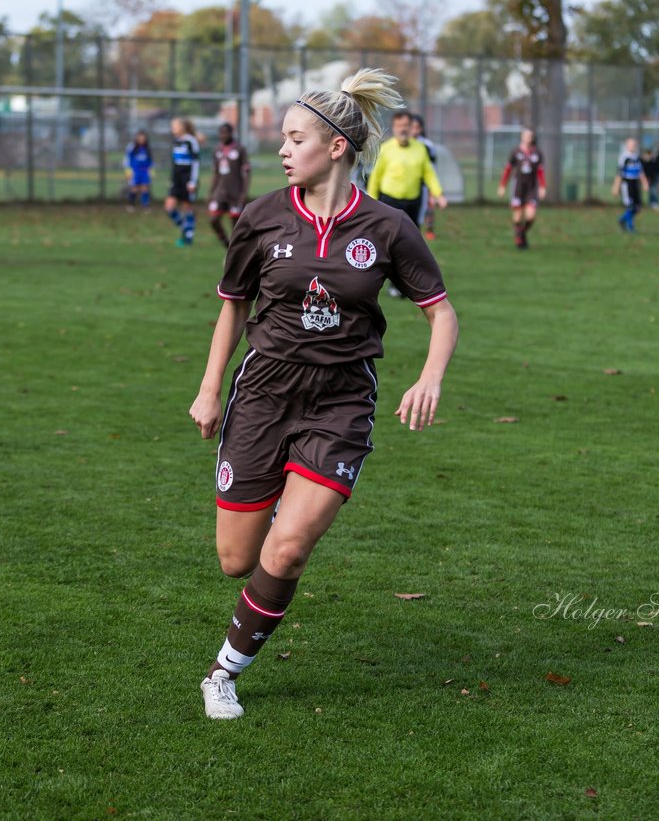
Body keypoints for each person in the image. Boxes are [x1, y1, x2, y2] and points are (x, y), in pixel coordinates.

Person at [188, 68, 458, 721]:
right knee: (236, 560)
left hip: (339, 406)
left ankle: (223, 672)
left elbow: (442, 312)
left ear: (337, 145)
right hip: (262, 398)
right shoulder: (260, 218)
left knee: (287, 550)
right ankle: (280, 507)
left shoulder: (389, 229)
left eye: (295, 138)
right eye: (282, 138)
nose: (282, 150)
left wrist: (430, 376)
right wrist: (208, 390)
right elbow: (232, 306)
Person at [367, 110, 447, 228]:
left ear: (410, 127)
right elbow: (375, 177)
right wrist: (372, 201)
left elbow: (429, 174)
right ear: (394, 128)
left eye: (405, 125)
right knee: (388, 238)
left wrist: (439, 195)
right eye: (399, 126)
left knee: (411, 239)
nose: (402, 129)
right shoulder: (385, 149)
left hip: (413, 203)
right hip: (389, 202)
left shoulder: (420, 148)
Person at [497, 128, 546, 249]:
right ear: (522, 137)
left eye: (530, 135)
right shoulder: (515, 151)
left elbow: (540, 171)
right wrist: (502, 185)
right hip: (518, 186)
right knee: (518, 216)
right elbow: (508, 169)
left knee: (530, 216)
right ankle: (519, 237)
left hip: (532, 187)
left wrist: (542, 187)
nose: (528, 137)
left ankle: (522, 232)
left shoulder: (537, 153)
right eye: (526, 135)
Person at [206, 123, 250, 248]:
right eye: (221, 133)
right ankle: (226, 243)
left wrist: (244, 193)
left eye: (226, 132)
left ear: (231, 133)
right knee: (213, 220)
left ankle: (234, 251)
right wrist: (211, 192)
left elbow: (246, 172)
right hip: (221, 191)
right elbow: (216, 173)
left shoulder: (240, 149)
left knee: (235, 224)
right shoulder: (217, 150)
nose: (223, 135)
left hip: (235, 191)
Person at [165, 117, 201, 247]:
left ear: (182, 127)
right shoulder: (176, 142)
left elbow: (196, 163)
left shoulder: (191, 142)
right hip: (176, 180)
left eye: (174, 126)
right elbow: (175, 164)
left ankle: (188, 238)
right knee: (169, 207)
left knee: (187, 209)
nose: (172, 129)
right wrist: (171, 180)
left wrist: (193, 181)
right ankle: (186, 230)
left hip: (188, 180)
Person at [410, 114, 439, 240]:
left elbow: (432, 168)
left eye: (417, 127)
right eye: (412, 127)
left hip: (422, 185)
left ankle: (427, 230)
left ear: (421, 128)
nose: (414, 130)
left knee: (426, 209)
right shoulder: (401, 143)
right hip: (408, 185)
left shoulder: (427, 145)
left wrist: (433, 191)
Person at [612, 137, 649, 233]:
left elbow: (641, 172)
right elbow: (619, 173)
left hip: (635, 183)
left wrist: (645, 183)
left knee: (638, 207)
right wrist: (616, 187)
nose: (633, 146)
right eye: (631, 144)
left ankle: (622, 219)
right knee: (630, 206)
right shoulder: (624, 157)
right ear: (627, 145)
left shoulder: (636, 157)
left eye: (634, 144)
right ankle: (630, 227)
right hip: (626, 183)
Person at [124, 129, 154, 210]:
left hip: (145, 171)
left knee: (145, 188)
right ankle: (131, 205)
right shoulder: (132, 147)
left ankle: (145, 206)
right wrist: (128, 171)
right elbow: (127, 159)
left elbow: (150, 161)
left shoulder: (147, 148)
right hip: (135, 171)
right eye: (140, 137)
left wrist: (151, 171)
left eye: (143, 137)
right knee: (134, 188)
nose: (142, 139)